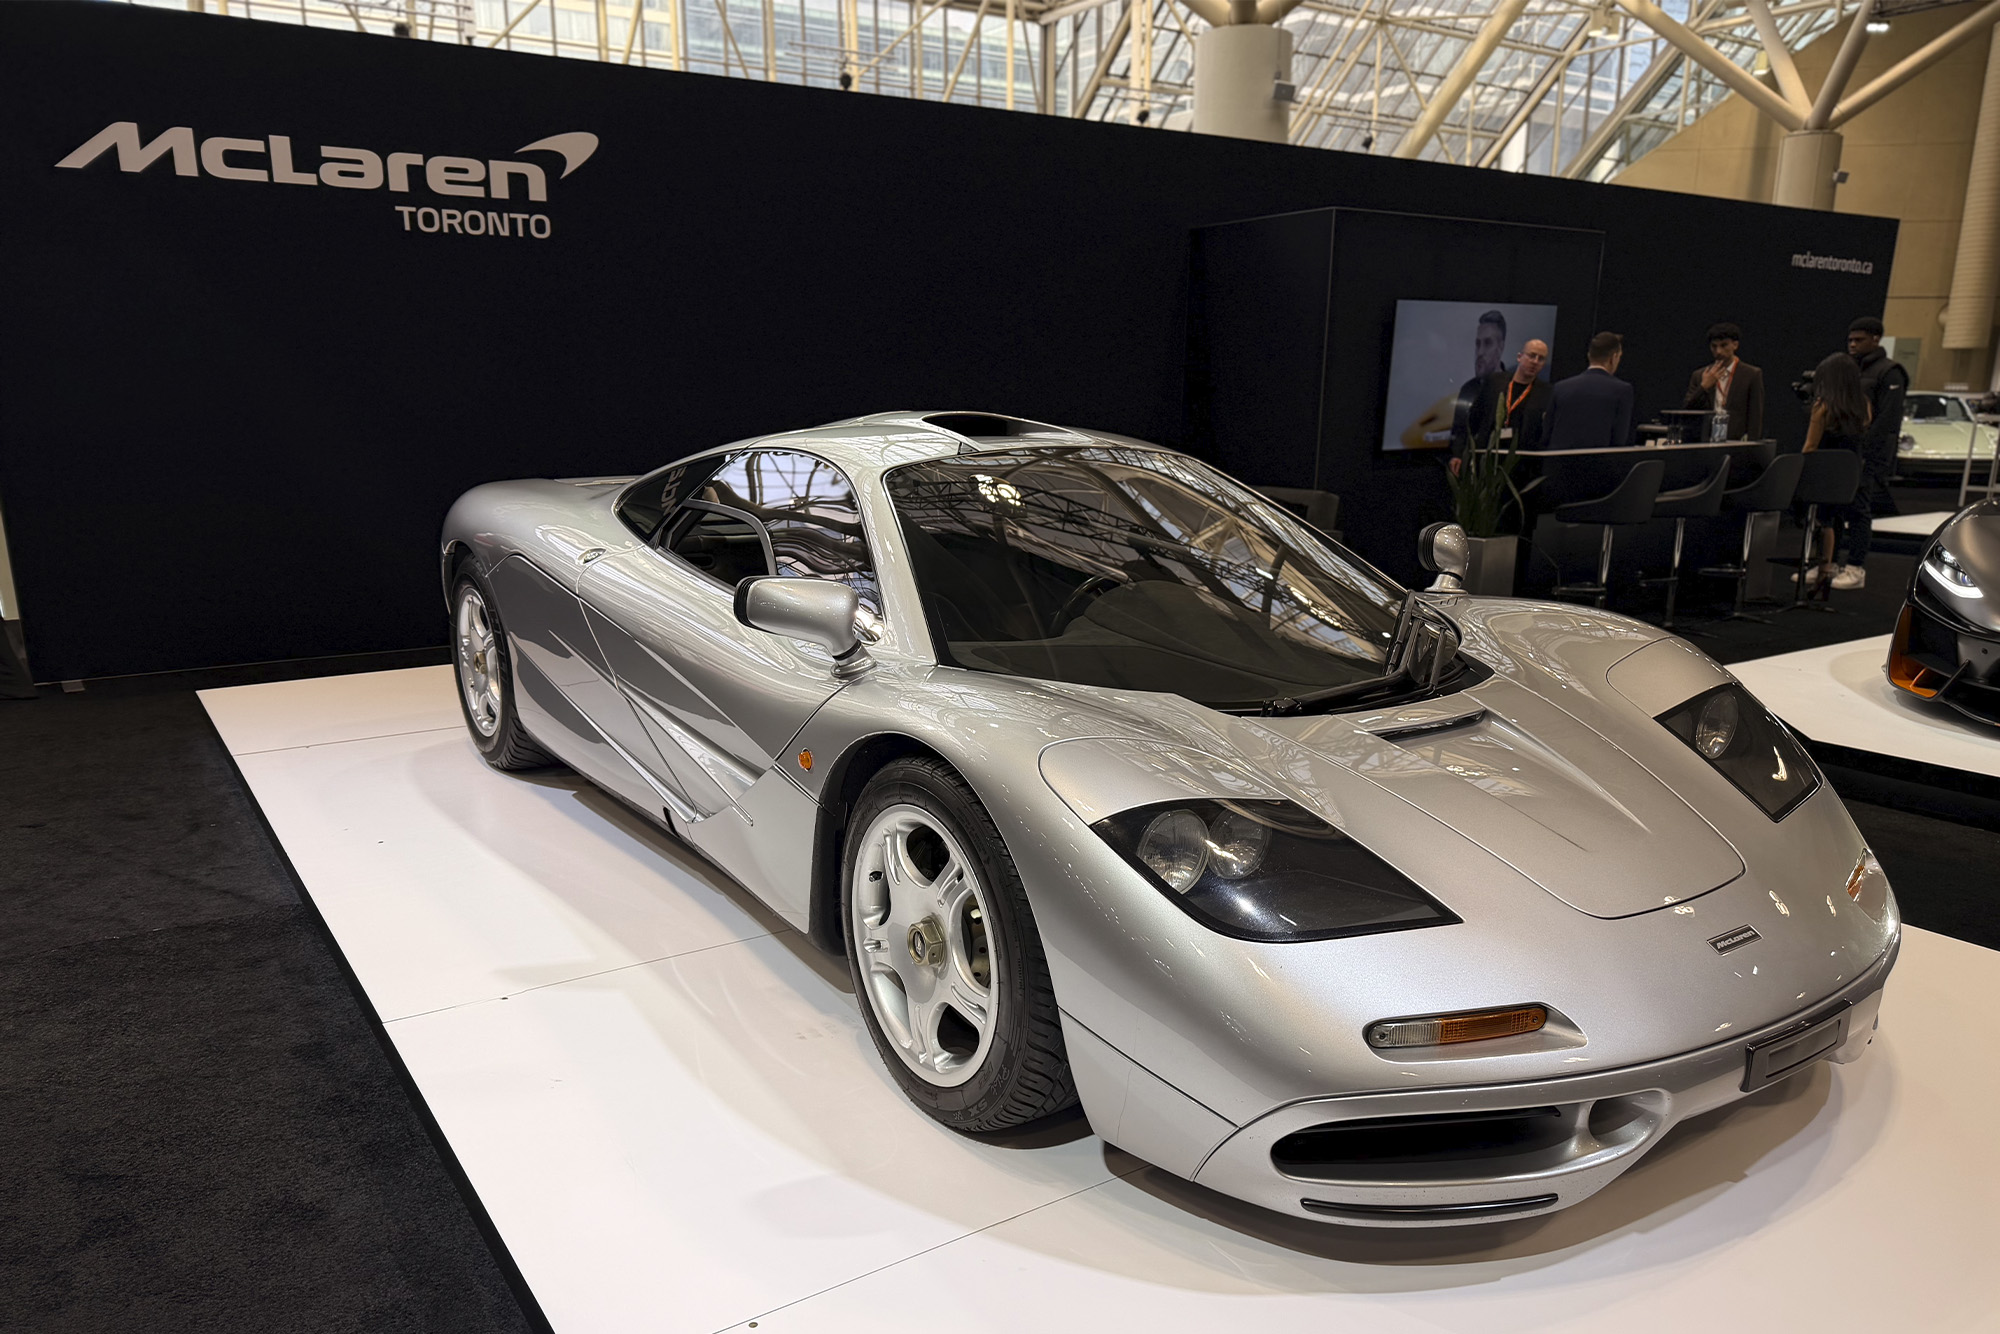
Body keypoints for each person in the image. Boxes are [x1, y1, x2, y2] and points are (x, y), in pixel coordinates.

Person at [1819, 316, 1908, 590]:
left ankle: (1856, 567)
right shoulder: (1848, 369)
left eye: (1859, 340)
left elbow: (1887, 419)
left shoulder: (1889, 372)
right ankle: (1828, 564)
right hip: (1843, 452)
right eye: (1850, 340)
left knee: (1859, 508)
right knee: (1833, 506)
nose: (1853, 344)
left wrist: (1866, 450)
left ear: (1876, 339)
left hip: (1867, 455)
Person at [1799, 350, 1873, 589]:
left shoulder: (1822, 406)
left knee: (1828, 518)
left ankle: (1827, 565)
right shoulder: (1864, 405)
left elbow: (1810, 445)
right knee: (1857, 515)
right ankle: (1854, 566)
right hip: (1854, 468)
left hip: (1828, 470)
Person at [1401, 308, 1509, 451]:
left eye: (1488, 343)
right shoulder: (1468, 389)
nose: (1480, 352)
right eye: (1478, 344)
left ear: (1500, 347)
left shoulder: (1512, 387)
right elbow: (1458, 431)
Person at [1543, 332, 1635, 451]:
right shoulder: (1622, 390)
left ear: (1589, 355)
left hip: (1557, 465)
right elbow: (1619, 439)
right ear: (1614, 358)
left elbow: (1546, 433)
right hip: (1598, 465)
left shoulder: (1560, 387)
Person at [1464, 338, 1552, 454]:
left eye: (1540, 359)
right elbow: (1474, 418)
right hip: (1487, 454)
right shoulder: (1494, 382)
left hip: (1522, 459)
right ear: (1519, 357)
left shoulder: (1546, 392)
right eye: (1531, 355)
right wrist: (1461, 452)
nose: (1535, 362)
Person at [1682, 321, 1764, 439]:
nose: (1718, 351)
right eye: (1714, 346)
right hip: (1706, 440)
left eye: (1724, 345)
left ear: (1735, 345)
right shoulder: (1700, 375)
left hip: (1735, 441)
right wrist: (1703, 387)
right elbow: (1686, 411)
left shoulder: (1751, 374)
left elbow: (1755, 416)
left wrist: (1752, 445)